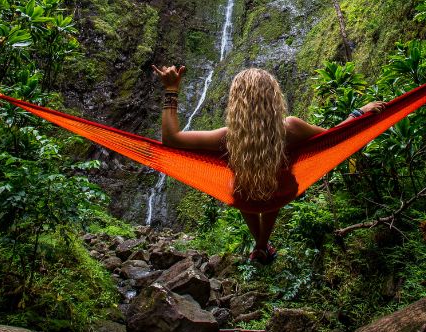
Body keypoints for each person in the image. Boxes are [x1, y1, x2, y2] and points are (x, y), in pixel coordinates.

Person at [152, 64, 386, 264]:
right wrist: (359, 113)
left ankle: (260, 245)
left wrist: (171, 90)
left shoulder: (227, 137)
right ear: (274, 98)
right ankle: (262, 246)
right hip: (280, 194)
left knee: (243, 184)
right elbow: (334, 137)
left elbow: (171, 139)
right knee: (272, 181)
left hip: (244, 198)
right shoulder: (291, 128)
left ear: (236, 103)